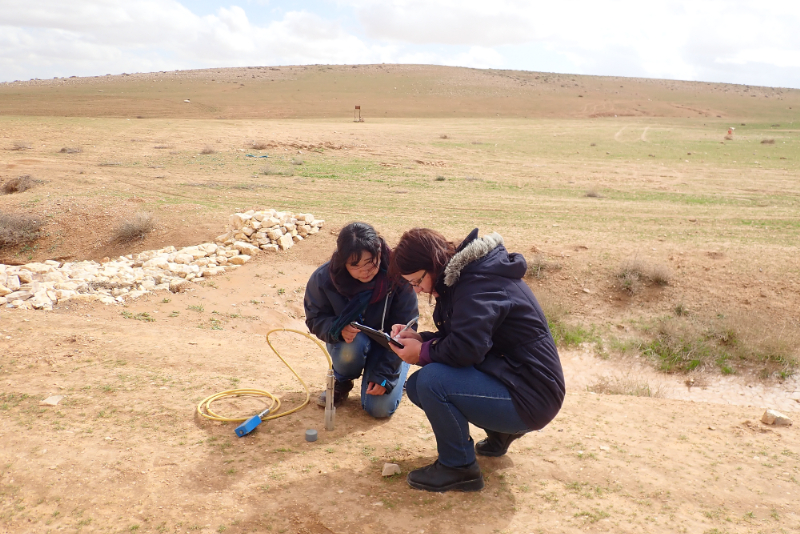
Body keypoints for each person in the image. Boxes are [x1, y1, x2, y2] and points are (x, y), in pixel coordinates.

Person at [389, 228, 565, 492]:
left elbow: (466, 349)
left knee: (431, 381)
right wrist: (420, 339)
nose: (417, 289)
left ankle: (458, 468)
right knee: (416, 387)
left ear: (434, 263)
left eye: (417, 281)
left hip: (532, 396)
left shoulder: (478, 284)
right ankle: (502, 432)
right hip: (514, 382)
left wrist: (422, 352)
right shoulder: (464, 280)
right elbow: (464, 336)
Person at [304, 222, 418, 418]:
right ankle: (342, 380)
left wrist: (384, 376)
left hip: (390, 350)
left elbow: (407, 329)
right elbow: (315, 318)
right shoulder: (324, 278)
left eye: (370, 262)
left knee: (379, 409)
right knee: (352, 346)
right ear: (343, 262)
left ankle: (399, 372)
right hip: (349, 346)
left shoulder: (397, 276)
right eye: (354, 265)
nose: (364, 271)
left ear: (379, 253)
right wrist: (337, 328)